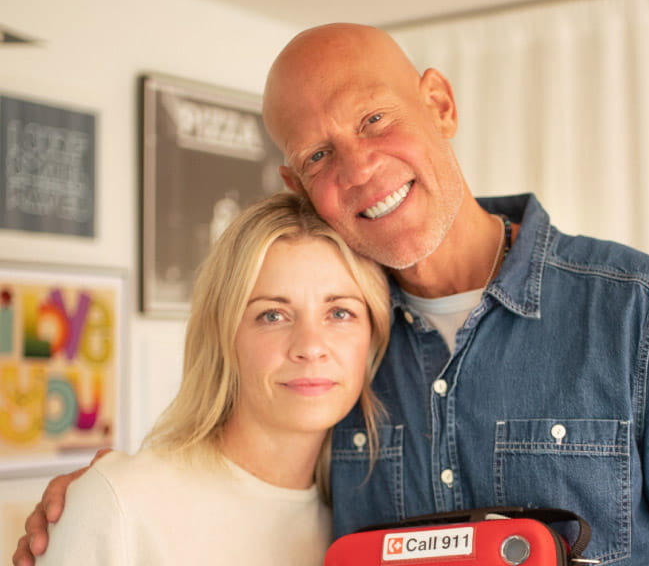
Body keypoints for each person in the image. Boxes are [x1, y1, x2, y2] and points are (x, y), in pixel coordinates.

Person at [15, 23, 649, 565]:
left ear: (441, 103)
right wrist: (102, 503)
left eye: (374, 118)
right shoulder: (339, 358)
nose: (358, 168)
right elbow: (237, 473)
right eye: (321, 152)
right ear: (297, 184)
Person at [30, 191, 390, 565]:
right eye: (273, 315)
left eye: (340, 313)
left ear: (373, 333)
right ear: (223, 335)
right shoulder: (120, 503)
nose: (311, 347)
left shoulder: (367, 522)